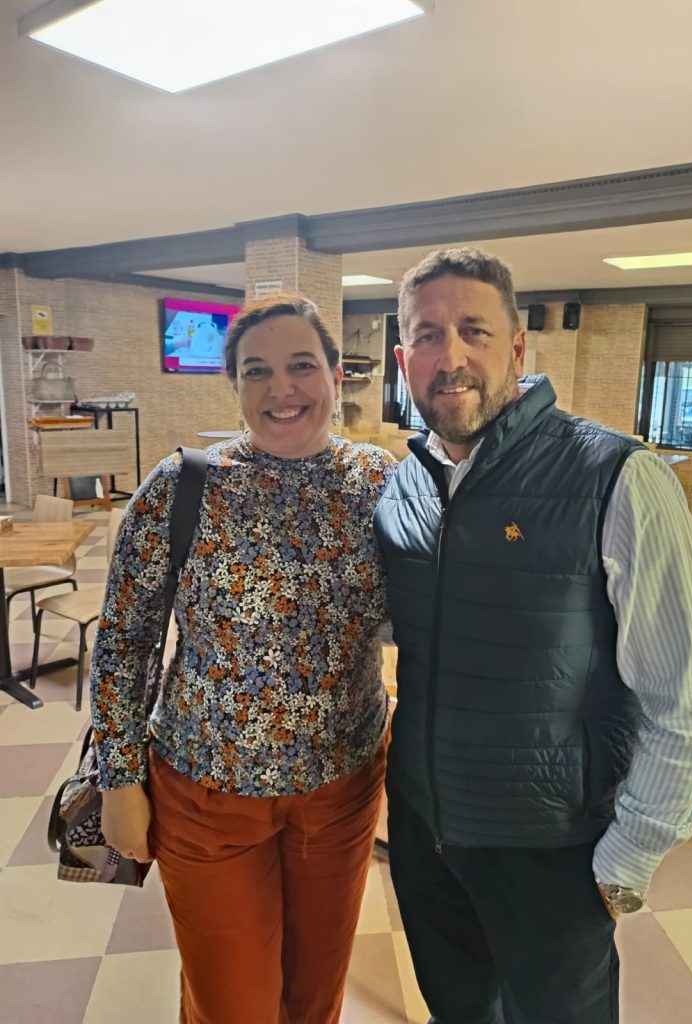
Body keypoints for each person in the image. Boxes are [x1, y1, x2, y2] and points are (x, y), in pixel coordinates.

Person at [373, 247, 692, 1024]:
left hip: (553, 852)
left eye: (474, 331)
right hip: (426, 837)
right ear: (404, 362)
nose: (451, 356)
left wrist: (628, 860)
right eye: (428, 336)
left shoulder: (616, 477)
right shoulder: (402, 487)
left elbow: (691, 710)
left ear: (516, 348)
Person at [90, 294, 397, 1024]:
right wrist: (119, 779)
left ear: (336, 375)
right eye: (257, 370)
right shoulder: (183, 487)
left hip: (340, 789)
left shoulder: (380, 482)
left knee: (314, 996)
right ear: (234, 384)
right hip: (207, 792)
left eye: (301, 365)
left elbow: (417, 622)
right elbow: (124, 641)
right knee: (232, 1005)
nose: (280, 388)